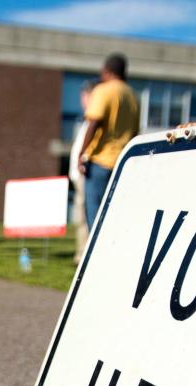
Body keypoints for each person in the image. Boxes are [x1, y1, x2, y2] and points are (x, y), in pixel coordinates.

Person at [78, 53, 139, 233]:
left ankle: (96, 259)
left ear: (107, 71)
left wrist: (82, 154)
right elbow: (135, 132)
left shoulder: (103, 90)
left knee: (95, 217)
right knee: (115, 216)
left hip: (100, 163)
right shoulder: (132, 96)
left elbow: (94, 122)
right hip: (122, 164)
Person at [69, 80, 97, 263]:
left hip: (86, 175)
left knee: (86, 217)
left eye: (85, 95)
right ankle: (82, 252)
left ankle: (85, 256)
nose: (82, 99)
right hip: (79, 176)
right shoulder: (86, 121)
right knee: (80, 217)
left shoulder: (95, 119)